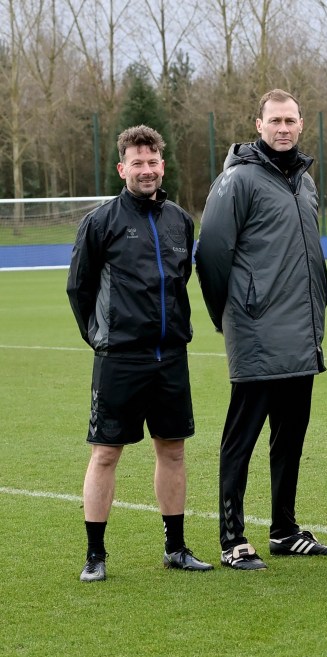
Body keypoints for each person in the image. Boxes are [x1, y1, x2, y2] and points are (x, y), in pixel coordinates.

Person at [195, 89, 327, 570]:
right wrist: (231, 315)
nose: (283, 127)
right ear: (258, 125)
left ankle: (283, 529)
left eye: (291, 120)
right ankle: (231, 537)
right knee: (243, 435)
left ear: (302, 126)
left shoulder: (304, 182)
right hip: (257, 330)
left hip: (302, 330)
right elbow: (211, 255)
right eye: (274, 120)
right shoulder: (237, 180)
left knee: (291, 434)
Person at [67, 125, 213, 581]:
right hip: (120, 359)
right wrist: (101, 337)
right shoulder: (100, 221)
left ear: (162, 165)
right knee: (106, 453)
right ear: (122, 168)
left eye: (152, 162)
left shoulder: (179, 220)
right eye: (137, 163)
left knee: (172, 450)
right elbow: (79, 287)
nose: (146, 170)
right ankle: (95, 555)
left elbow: (181, 278)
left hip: (170, 357)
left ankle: (175, 547)